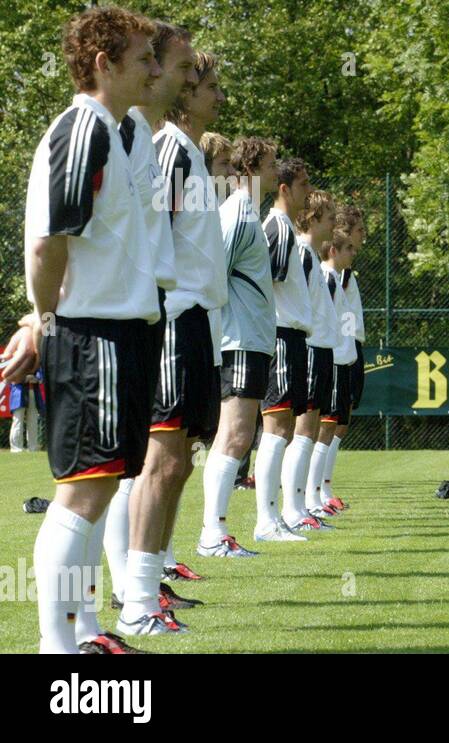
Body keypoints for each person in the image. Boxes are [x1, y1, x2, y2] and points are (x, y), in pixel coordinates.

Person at [6, 6, 163, 651]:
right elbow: (48, 244)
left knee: (97, 490)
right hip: (90, 335)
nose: (155, 68)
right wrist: (43, 324)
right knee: (81, 493)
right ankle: (57, 651)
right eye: (144, 57)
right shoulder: (83, 129)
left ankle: (82, 632)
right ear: (105, 63)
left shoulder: (116, 131)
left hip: (118, 333)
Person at [118, 38, 230, 636]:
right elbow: (152, 238)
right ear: (187, 90)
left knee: (176, 462)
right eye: (206, 82)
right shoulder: (170, 151)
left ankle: (148, 584)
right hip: (175, 319)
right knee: (157, 463)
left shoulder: (183, 151)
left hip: (196, 323)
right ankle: (136, 599)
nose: (216, 95)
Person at [206, 136, 287, 549]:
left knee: (237, 437)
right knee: (235, 436)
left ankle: (216, 531)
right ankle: (213, 532)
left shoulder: (248, 212)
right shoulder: (238, 212)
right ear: (252, 168)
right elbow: (214, 273)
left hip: (251, 339)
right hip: (238, 339)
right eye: (272, 164)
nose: (278, 171)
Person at [259, 158, 325, 534]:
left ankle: (283, 515)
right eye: (303, 185)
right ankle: (268, 520)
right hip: (282, 335)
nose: (308, 192)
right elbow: (266, 283)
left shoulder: (284, 229)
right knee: (278, 426)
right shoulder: (279, 230)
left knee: (283, 428)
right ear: (284, 189)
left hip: (294, 337)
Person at [316, 204, 367, 513]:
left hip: (349, 346)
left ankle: (322, 487)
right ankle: (319, 488)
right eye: (359, 230)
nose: (362, 238)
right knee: (330, 420)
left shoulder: (345, 271)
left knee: (341, 419)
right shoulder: (336, 272)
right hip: (341, 349)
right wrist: (345, 345)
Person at [298, 190, 340, 522]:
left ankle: (305, 504)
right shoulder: (302, 252)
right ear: (313, 217)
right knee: (302, 429)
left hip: (320, 348)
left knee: (309, 430)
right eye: (328, 217)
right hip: (309, 348)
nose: (332, 224)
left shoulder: (310, 254)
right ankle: (294, 508)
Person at [7, 373, 41, 452]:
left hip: (33, 392)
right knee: (18, 420)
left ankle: (33, 447)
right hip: (18, 392)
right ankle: (16, 448)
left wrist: (34, 378)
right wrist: (24, 378)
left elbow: (40, 377)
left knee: (33, 421)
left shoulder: (34, 361)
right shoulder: (13, 361)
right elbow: (9, 377)